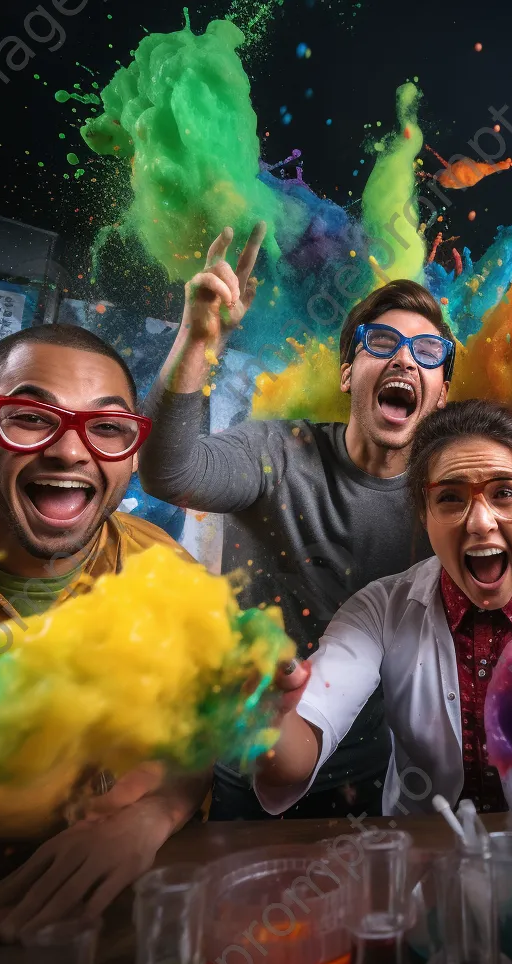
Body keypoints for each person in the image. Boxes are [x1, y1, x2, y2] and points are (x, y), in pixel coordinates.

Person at [139, 224, 457, 819]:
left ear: (441, 393)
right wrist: (197, 341)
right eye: (381, 341)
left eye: (428, 353)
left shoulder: (450, 500)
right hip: (251, 777)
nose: (404, 359)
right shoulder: (276, 452)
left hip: (381, 786)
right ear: (346, 373)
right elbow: (169, 473)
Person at [0, 323, 209, 940]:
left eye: (106, 428)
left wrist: (153, 813)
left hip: (108, 933)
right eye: (30, 417)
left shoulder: (171, 579)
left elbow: (200, 739)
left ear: (131, 453)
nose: (70, 451)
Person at [252, 399, 512, 815]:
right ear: (424, 516)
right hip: (423, 867)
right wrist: (271, 718)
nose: (481, 522)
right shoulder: (379, 609)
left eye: (505, 493)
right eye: (449, 497)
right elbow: (294, 756)